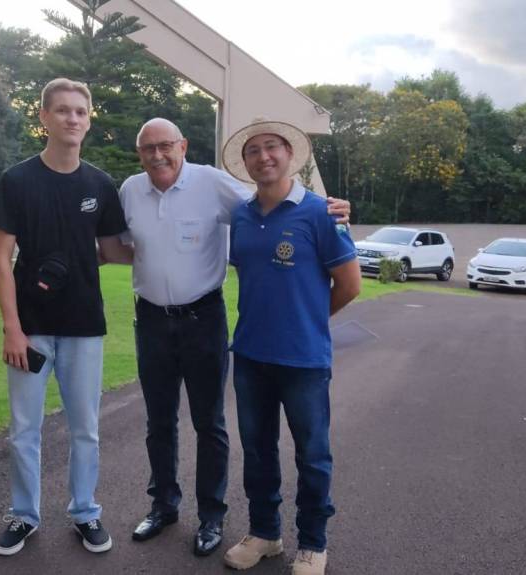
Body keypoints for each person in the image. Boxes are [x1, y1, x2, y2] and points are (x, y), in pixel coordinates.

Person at [105, 118, 350, 558]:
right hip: (152, 319)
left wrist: (333, 209)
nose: (158, 155)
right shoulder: (130, 190)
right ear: (139, 154)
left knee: (210, 422)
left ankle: (212, 516)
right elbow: (120, 247)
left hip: (203, 317)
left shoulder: (212, 183)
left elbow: (270, 200)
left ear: (183, 145)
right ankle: (164, 506)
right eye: (148, 149)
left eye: (165, 145)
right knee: (159, 421)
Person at [0, 78, 128, 557]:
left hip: (84, 326)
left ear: (88, 120)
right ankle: (23, 515)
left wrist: (182, 243)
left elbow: (113, 250)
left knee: (85, 428)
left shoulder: (100, 184)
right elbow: (1, 257)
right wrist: (12, 328)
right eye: (63, 110)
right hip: (30, 329)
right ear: (44, 117)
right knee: (24, 430)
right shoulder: (17, 180)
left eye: (80, 111)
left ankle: (85, 511)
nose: (73, 118)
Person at [220, 119, 361, 575]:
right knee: (257, 451)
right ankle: (265, 534)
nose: (264, 156)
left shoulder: (323, 213)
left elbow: (350, 285)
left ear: (289, 155)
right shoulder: (242, 215)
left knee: (312, 456)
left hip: (303, 360)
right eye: (254, 150)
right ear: (245, 162)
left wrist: (308, 321)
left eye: (272, 147)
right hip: (251, 356)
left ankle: (313, 544)